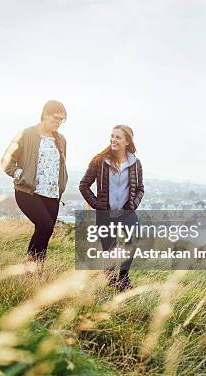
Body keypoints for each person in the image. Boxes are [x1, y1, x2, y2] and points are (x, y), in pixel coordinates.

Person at [1, 100, 68, 269]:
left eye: (62, 120)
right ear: (45, 114)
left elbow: (60, 166)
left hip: (52, 194)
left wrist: (61, 185)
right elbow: (6, 161)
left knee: (46, 231)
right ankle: (28, 267)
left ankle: (36, 272)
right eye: (56, 118)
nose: (59, 123)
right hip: (28, 192)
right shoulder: (26, 134)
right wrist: (20, 174)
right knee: (45, 226)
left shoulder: (61, 140)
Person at [79, 124, 144, 291]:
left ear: (127, 142)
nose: (113, 140)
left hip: (127, 212)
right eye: (112, 136)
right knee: (110, 249)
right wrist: (97, 205)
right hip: (105, 214)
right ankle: (110, 280)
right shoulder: (100, 160)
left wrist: (133, 205)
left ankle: (123, 279)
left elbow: (140, 189)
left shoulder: (135, 163)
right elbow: (84, 185)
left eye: (118, 137)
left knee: (133, 240)